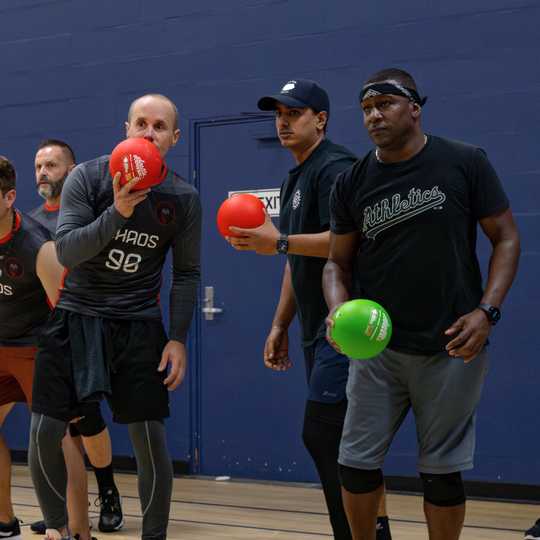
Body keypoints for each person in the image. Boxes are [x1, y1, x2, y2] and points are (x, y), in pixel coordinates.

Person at [323, 68, 521, 540]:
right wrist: (337, 307)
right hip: (376, 349)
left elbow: (507, 238)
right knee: (354, 465)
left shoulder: (465, 161)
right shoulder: (351, 182)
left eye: (384, 105)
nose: (373, 116)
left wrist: (486, 312)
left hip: (452, 344)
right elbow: (336, 264)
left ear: (414, 107)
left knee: (441, 474)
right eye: (367, 109)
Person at [28, 94, 202, 540]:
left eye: (159, 127)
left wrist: (177, 338)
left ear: (173, 138)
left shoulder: (182, 198)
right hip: (76, 316)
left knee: (149, 439)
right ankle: (58, 528)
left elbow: (186, 273)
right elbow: (67, 250)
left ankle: (155, 535)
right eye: (140, 123)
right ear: (125, 129)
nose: (148, 133)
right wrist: (118, 212)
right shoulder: (87, 176)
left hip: (138, 323)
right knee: (46, 430)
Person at [227, 79, 392, 540]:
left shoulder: (335, 166)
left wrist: (276, 239)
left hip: (349, 324)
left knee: (325, 436)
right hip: (316, 329)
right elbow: (299, 258)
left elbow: (348, 242)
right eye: (278, 113)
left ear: (320, 119)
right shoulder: (296, 175)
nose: (283, 121)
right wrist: (280, 323)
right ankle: (374, 530)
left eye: (294, 113)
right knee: (341, 439)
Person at [29, 139, 124, 534]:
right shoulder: (30, 222)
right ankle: (64, 509)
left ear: (72, 170)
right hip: (49, 338)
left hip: (89, 330)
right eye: (38, 166)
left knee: (88, 418)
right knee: (54, 429)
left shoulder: (88, 216)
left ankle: (108, 490)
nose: (43, 172)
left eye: (52, 165)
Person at [0, 156, 93, 540]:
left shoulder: (37, 246)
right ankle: (5, 520)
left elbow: (67, 313)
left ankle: (77, 529)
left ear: (9, 198)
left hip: (40, 348)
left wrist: (75, 375)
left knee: (60, 438)